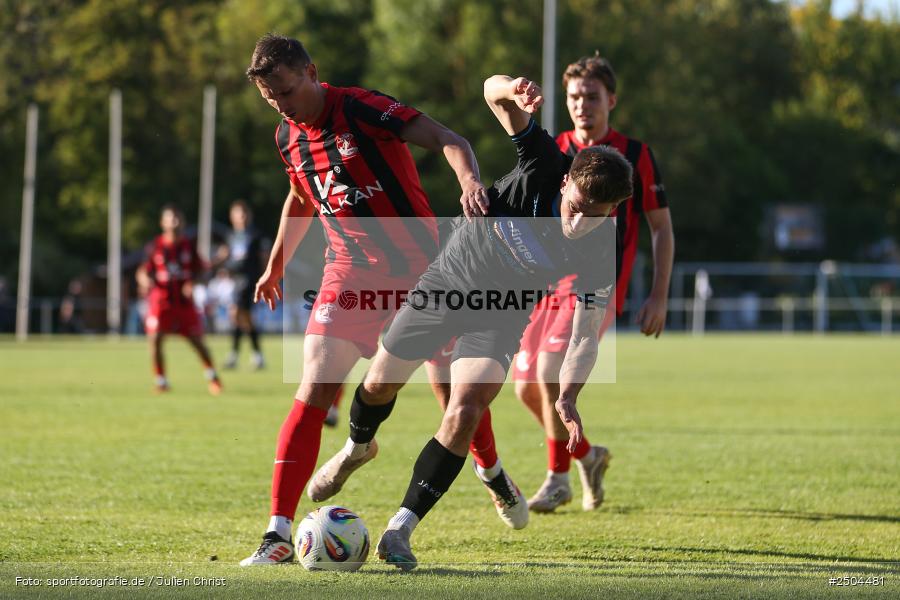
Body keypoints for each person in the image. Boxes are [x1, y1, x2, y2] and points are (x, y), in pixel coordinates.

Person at [312, 74, 633, 571]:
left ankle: (402, 528)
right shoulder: (546, 162)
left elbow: (585, 335)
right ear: (567, 180)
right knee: (378, 386)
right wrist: (513, 89)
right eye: (575, 208)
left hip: (502, 314)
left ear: (613, 210)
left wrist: (568, 395)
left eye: (597, 215)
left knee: (465, 411)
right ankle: (357, 447)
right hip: (448, 281)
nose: (578, 224)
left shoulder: (600, 245)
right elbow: (489, 92)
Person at [240, 34, 498, 566]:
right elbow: (299, 195)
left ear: (312, 72)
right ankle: (277, 535)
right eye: (271, 99)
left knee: (455, 393)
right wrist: (275, 265)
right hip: (349, 273)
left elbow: (449, 138)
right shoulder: (287, 135)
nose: (283, 105)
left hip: (422, 271)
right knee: (314, 385)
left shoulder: (361, 107)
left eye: (287, 90)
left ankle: (490, 469)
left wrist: (469, 181)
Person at [513, 53, 674, 514]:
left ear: (612, 100)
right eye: (575, 97)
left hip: (595, 287)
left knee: (549, 373)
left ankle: (557, 478)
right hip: (546, 281)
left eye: (592, 97)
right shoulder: (556, 146)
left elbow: (661, 227)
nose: (582, 105)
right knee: (526, 388)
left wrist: (658, 294)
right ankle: (588, 456)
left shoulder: (636, 155)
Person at [135, 205, 222, 394]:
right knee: (155, 339)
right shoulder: (155, 247)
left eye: (177, 218)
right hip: (161, 302)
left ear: (182, 222)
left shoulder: (188, 246)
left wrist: (192, 283)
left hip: (183, 304)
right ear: (162, 222)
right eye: (170, 218)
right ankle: (161, 381)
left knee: (197, 342)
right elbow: (143, 271)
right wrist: (144, 281)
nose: (174, 221)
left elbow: (201, 271)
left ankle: (213, 377)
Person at [217, 200, 268, 370]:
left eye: (244, 213)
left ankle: (235, 355)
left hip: (250, 281)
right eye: (238, 213)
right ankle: (256, 355)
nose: (242, 217)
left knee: (237, 314)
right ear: (232, 216)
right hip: (235, 281)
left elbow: (264, 259)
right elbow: (227, 257)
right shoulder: (231, 236)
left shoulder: (256, 235)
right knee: (244, 319)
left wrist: (266, 277)